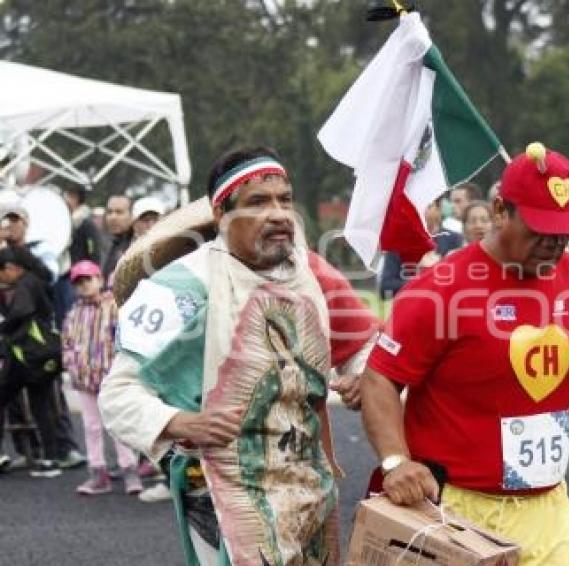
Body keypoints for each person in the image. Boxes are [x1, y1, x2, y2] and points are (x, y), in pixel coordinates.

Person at [361, 143, 569, 566]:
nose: (554, 244)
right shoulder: (443, 287)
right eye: (539, 228)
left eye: (563, 232)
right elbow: (380, 377)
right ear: (500, 210)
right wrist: (395, 461)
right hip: (456, 511)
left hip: (548, 507)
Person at [100, 146, 377, 565]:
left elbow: (365, 347)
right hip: (220, 489)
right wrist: (181, 422)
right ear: (221, 215)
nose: (279, 213)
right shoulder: (183, 287)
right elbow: (118, 396)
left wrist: (362, 374)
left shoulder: (312, 273)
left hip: (308, 484)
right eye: (258, 202)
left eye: (284, 199)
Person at [62, 260, 141, 495]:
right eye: (79, 282)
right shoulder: (74, 313)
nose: (84, 285)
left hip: (111, 377)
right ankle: (98, 472)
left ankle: (129, 469)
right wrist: (71, 365)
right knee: (91, 426)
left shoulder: (114, 307)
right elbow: (67, 342)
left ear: (99, 279)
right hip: (84, 379)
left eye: (88, 280)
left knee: (117, 424)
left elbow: (126, 339)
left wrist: (123, 370)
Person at [0, 246, 63, 478]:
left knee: (7, 398)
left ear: (10, 269)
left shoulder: (26, 283)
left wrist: (3, 329)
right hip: (42, 355)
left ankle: (48, 458)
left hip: (27, 356)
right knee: (41, 406)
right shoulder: (36, 280)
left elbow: (21, 312)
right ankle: (50, 459)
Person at [379, 198, 463, 298]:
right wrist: (421, 282)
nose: (421, 211)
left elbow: (460, 281)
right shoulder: (399, 243)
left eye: (427, 206)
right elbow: (385, 287)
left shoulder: (455, 240)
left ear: (439, 209)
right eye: (416, 206)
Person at [62, 186, 102, 265]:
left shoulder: (86, 223)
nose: (66, 200)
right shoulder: (67, 221)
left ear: (76, 198)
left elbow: (93, 250)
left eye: (69, 196)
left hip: (82, 270)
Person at [100, 195, 133, 282]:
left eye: (119, 212)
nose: (113, 217)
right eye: (109, 212)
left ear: (132, 216)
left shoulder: (136, 246)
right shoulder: (110, 242)